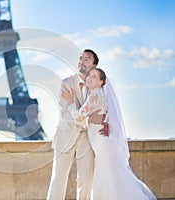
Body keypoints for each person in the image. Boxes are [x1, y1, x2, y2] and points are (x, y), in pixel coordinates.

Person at [64, 67, 157, 200]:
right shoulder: (102, 96)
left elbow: (78, 117)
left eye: (94, 76)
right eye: (89, 75)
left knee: (105, 171)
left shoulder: (93, 96)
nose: (89, 78)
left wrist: (70, 103)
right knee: (111, 172)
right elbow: (106, 116)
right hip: (105, 141)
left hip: (101, 142)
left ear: (101, 82)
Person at [47, 49, 108, 200]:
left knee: (86, 181)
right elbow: (65, 114)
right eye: (80, 58)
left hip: (87, 138)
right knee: (58, 179)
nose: (82, 61)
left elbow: (103, 110)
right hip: (65, 135)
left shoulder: (97, 86)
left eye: (87, 59)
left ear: (94, 65)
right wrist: (89, 120)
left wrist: (104, 122)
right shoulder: (66, 84)